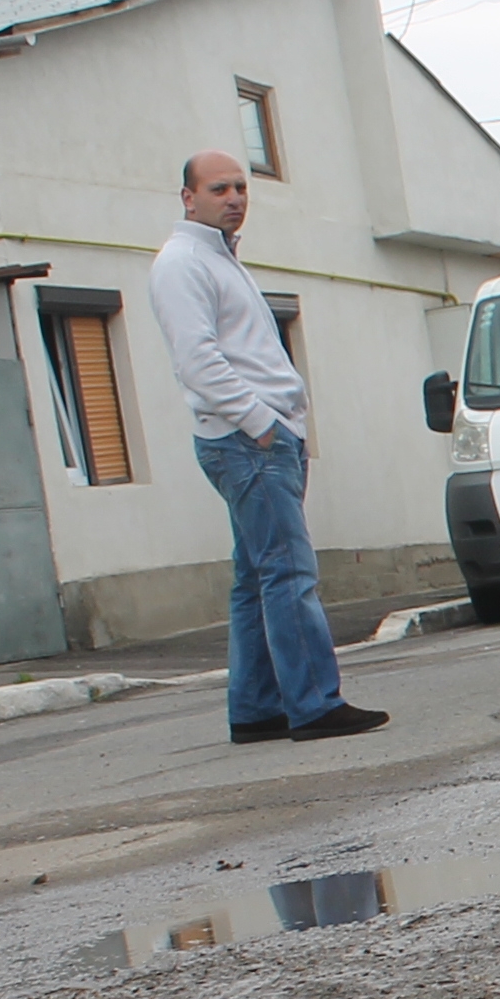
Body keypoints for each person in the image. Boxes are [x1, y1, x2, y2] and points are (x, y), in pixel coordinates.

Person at [150, 150, 382, 743]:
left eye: (241, 187)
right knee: (288, 572)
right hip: (247, 441)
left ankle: (255, 710)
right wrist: (261, 423)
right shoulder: (183, 264)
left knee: (257, 576)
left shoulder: (222, 259)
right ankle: (314, 705)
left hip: (259, 438)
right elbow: (197, 360)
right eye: (219, 188)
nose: (234, 198)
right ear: (188, 197)